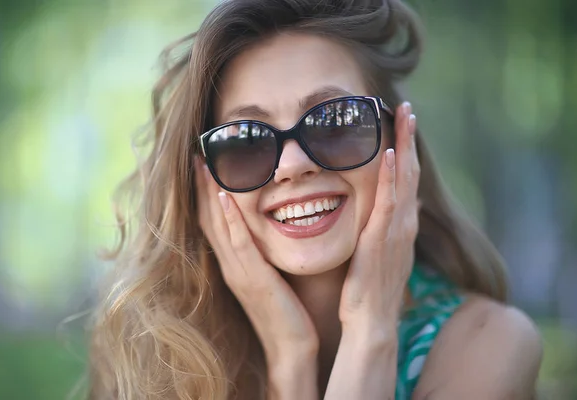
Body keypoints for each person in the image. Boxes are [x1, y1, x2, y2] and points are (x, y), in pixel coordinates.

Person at [88, 0, 543, 399]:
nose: (292, 165)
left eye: (336, 121)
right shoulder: (160, 355)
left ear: (399, 141)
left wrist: (371, 331)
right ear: (204, 179)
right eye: (246, 140)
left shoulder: (488, 344)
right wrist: (291, 361)